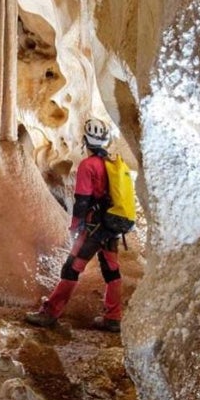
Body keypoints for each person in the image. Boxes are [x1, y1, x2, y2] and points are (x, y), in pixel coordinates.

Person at [25, 118, 123, 332]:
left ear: (86, 141)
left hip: (94, 227)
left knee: (71, 268)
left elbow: (82, 200)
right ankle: (114, 316)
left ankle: (50, 313)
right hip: (112, 227)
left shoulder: (89, 165)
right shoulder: (112, 163)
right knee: (111, 270)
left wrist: (76, 226)